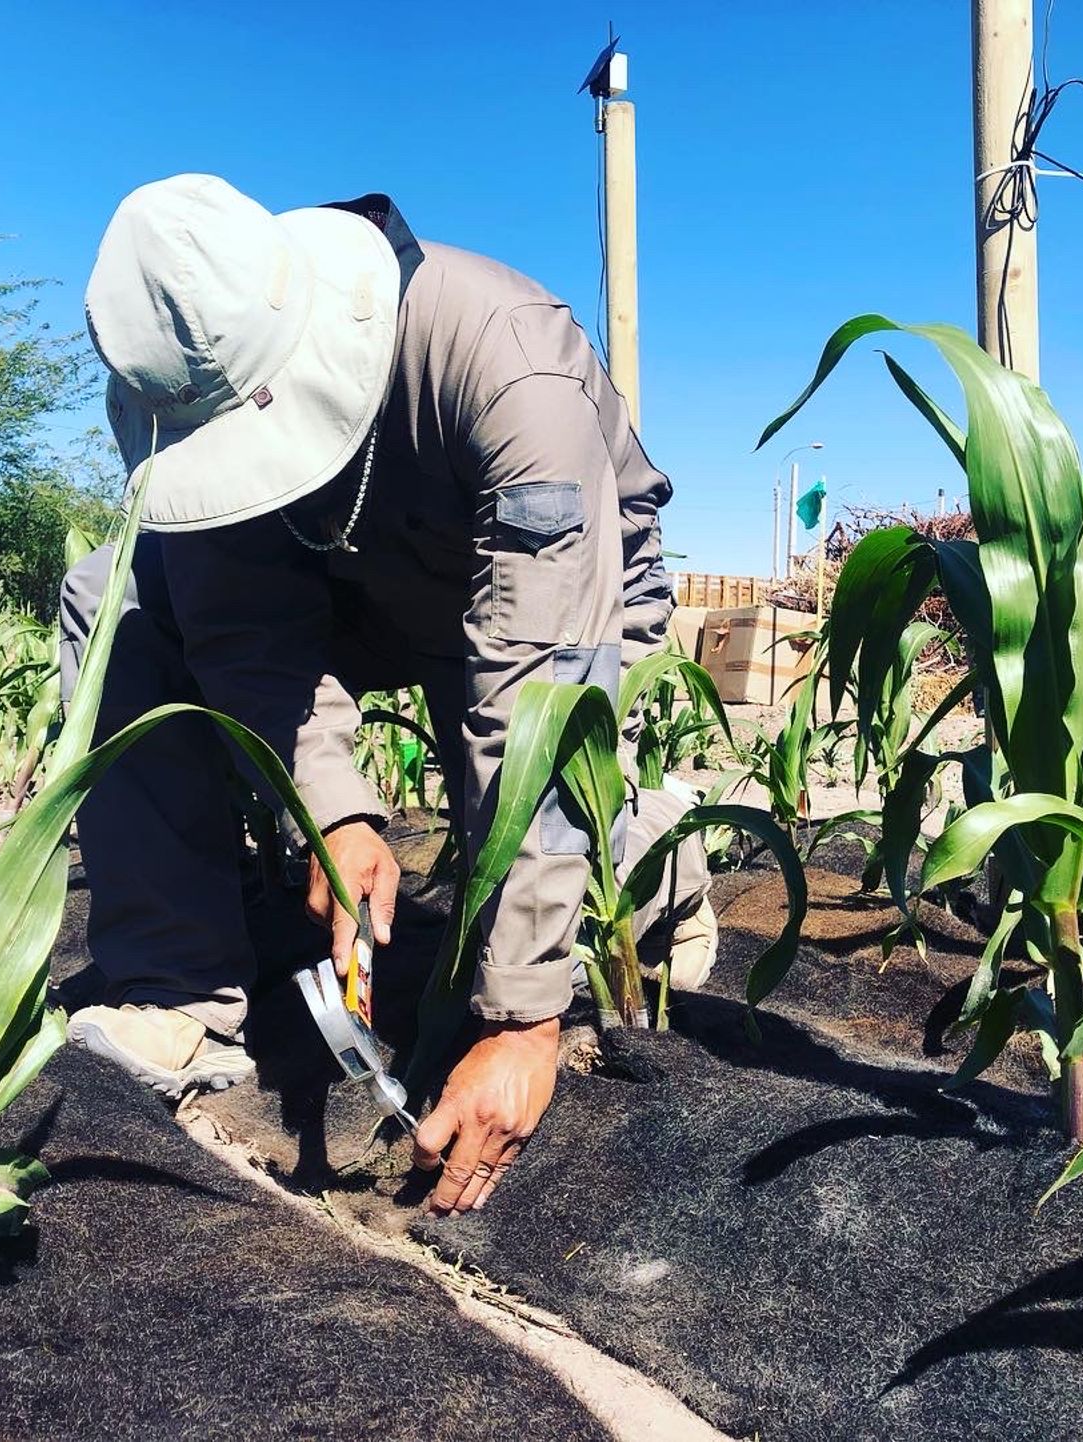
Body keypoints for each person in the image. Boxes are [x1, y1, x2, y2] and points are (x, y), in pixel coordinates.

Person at [60, 174, 715, 1215]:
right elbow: (241, 629)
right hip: (353, 589)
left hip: (554, 599)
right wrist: (334, 810)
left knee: (540, 841)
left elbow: (535, 689)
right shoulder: (202, 383)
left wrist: (523, 1020)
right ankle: (181, 988)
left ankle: (652, 866)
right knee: (115, 596)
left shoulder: (509, 362)